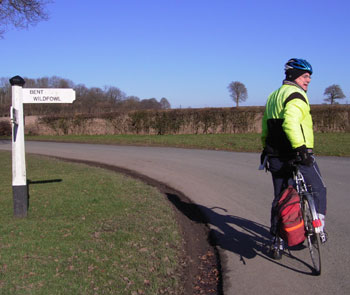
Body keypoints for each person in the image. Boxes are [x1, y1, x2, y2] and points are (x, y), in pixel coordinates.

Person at [261, 58, 327, 258]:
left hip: (275, 155)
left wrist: (265, 147)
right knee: (318, 188)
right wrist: (301, 149)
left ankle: (277, 242)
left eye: (309, 77)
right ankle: (318, 229)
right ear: (294, 76)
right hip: (297, 153)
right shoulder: (296, 95)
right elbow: (290, 122)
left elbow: (265, 125)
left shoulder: (274, 96)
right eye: (305, 76)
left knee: (281, 198)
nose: (308, 80)